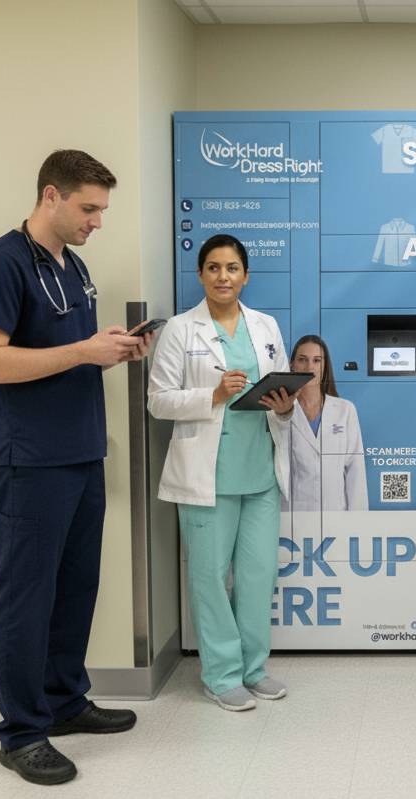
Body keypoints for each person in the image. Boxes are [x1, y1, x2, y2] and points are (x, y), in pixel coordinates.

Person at [0, 150, 151, 786]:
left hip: (81, 451)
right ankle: (21, 732)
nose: (97, 222)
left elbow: (62, 354)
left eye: (102, 209)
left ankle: (64, 700)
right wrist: (81, 349)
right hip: (31, 459)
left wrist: (108, 352)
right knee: (26, 595)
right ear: (52, 195)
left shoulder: (72, 266)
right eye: (89, 208)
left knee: (76, 587)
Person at [148, 234, 295, 712]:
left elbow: (285, 390)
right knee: (210, 577)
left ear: (246, 275)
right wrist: (210, 395)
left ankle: (253, 669)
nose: (223, 277)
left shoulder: (266, 325)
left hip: (260, 474)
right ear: (201, 275)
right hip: (206, 477)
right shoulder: (180, 330)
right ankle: (221, 674)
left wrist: (285, 405)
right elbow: (158, 400)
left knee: (257, 577)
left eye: (232, 268)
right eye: (213, 268)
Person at [286, 334, 368, 511]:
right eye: (302, 360)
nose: (310, 367)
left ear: (325, 367)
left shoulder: (345, 410)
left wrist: (361, 522)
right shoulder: (281, 411)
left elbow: (356, 469)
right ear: (292, 365)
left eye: (317, 360)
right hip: (292, 515)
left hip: (336, 513)